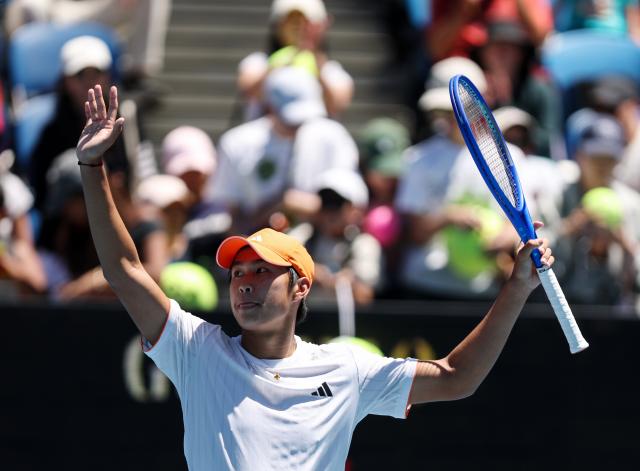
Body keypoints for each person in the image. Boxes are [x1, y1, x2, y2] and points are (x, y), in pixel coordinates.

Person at [76, 82, 558, 470]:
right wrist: (92, 165)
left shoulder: (346, 369)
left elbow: (457, 377)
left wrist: (516, 287)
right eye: (239, 272)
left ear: (300, 286)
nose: (245, 281)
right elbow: (124, 270)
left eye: (263, 271)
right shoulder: (197, 350)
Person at [210, 66, 359, 234]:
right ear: (270, 107)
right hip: (259, 245)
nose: (298, 125)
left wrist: (302, 205)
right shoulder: (237, 143)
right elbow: (233, 216)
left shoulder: (334, 137)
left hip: (319, 244)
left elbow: (350, 207)